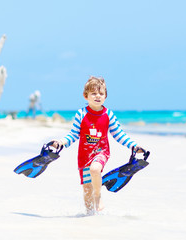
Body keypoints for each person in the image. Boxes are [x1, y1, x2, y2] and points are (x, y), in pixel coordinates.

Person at [52, 76, 145, 214]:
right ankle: (90, 216)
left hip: (101, 152)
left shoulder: (108, 115)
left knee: (95, 169)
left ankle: (98, 195)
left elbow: (119, 134)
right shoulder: (81, 114)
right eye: (94, 93)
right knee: (86, 189)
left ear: (105, 96)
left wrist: (133, 146)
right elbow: (73, 135)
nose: (98, 96)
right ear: (85, 96)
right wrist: (61, 143)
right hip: (84, 156)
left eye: (101, 93)